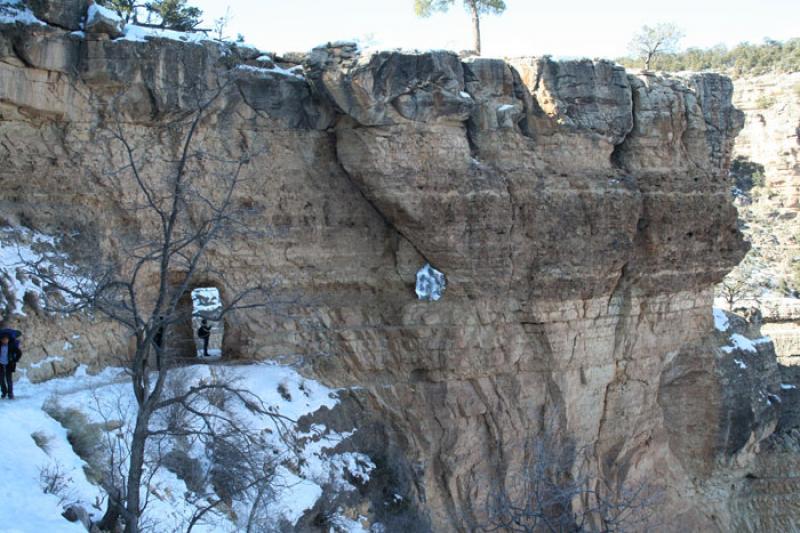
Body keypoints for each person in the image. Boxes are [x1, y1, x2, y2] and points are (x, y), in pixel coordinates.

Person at [0, 332, 22, 400]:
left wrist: (15, 360)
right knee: (1, 380)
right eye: (3, 339)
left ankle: (10, 393)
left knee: (9, 379)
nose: (5, 341)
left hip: (9, 365)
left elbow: (19, 352)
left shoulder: (12, 346)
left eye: (6, 339)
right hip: (1, 364)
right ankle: (4, 392)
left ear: (8, 339)